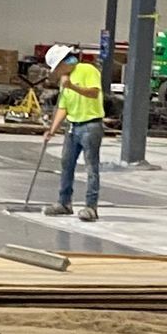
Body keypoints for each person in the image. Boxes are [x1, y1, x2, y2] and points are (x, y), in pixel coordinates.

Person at [42, 46, 104, 221]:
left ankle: (91, 207)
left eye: (58, 67)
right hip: (72, 126)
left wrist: (72, 86)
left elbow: (94, 93)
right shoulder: (65, 80)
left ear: (64, 61)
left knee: (91, 166)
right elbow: (63, 107)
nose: (58, 71)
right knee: (66, 164)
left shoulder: (87, 70)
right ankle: (64, 202)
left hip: (90, 125)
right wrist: (52, 130)